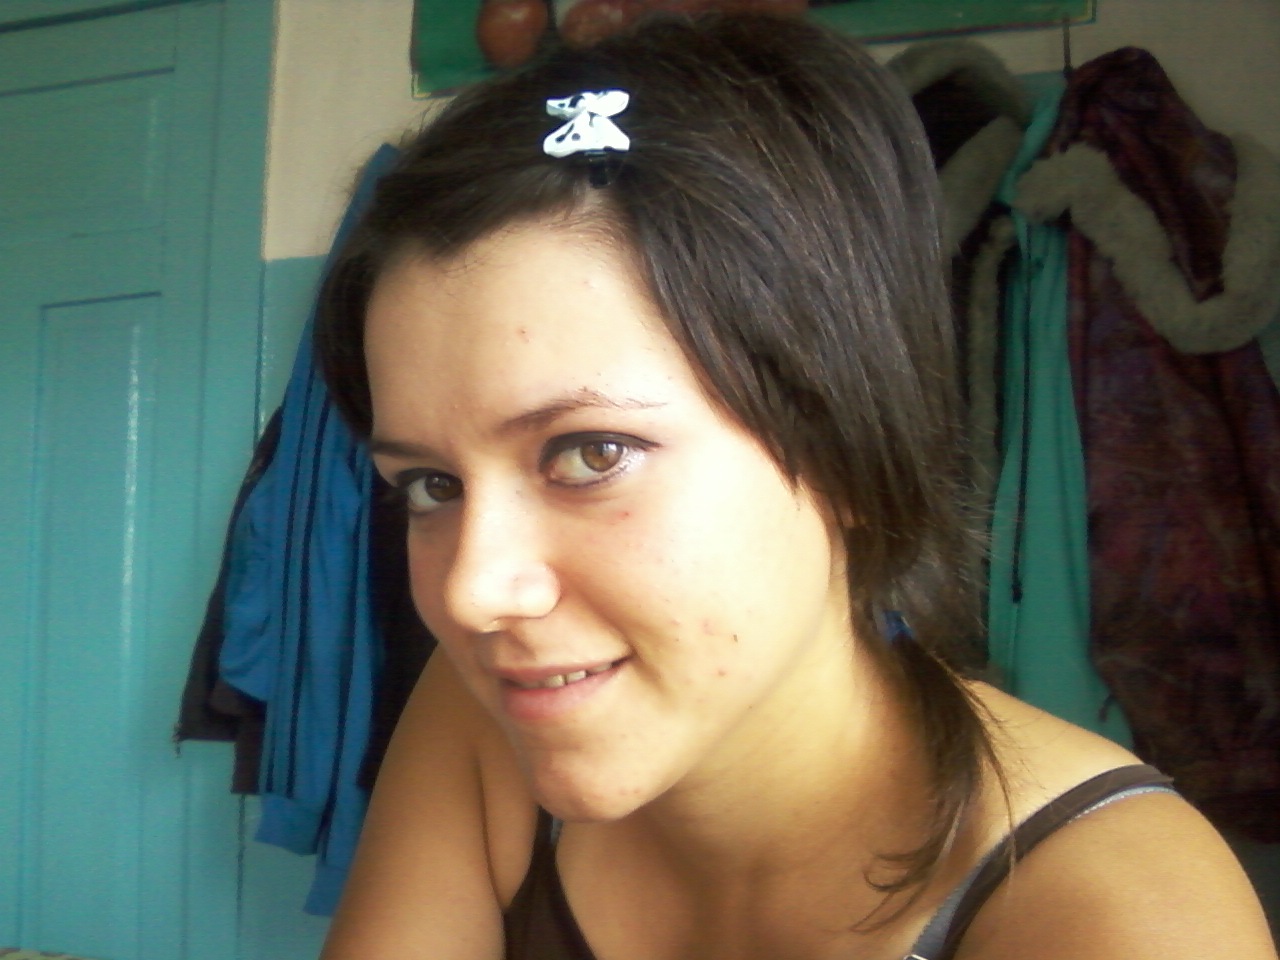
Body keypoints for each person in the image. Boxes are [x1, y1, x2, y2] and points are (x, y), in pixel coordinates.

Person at [314, 13, 1275, 959]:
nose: (474, 594)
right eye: (431, 484)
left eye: (591, 454)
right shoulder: (498, 712)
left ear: (847, 441)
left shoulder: (1117, 913)